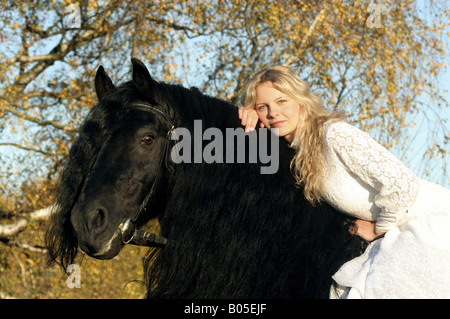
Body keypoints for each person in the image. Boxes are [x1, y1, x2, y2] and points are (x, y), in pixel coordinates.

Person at [238, 65, 450, 298]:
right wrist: (242, 114)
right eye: (263, 107)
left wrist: (376, 229)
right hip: (398, 226)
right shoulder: (299, 153)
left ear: (301, 101)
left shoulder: (334, 135)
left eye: (281, 101)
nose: (273, 113)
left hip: (425, 221)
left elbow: (402, 184)